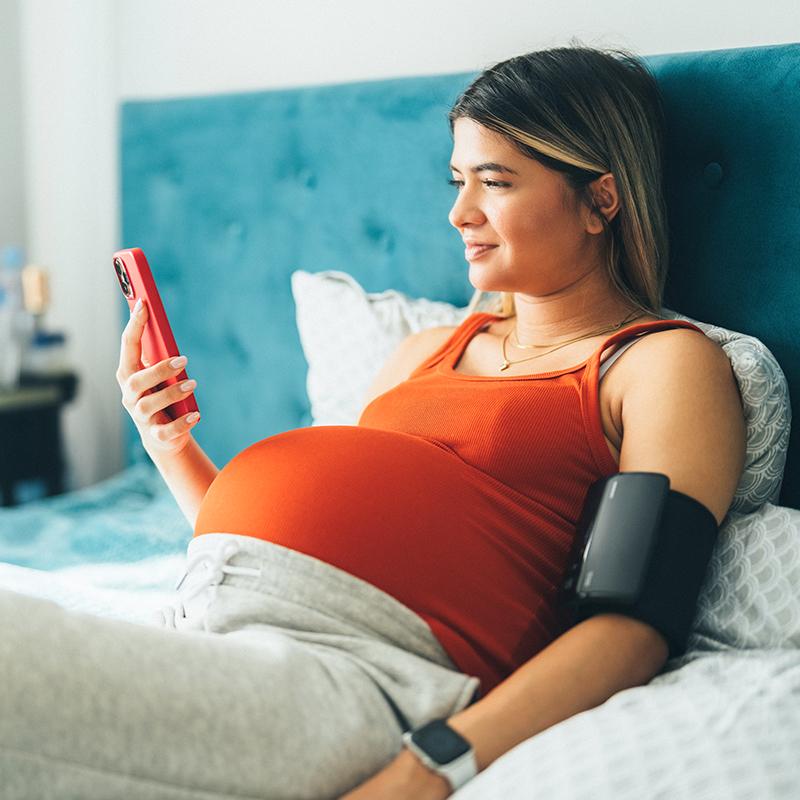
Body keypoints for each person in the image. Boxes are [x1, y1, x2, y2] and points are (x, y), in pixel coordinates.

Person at [0, 44, 746, 800]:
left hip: (367, 677)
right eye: (459, 181)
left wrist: (432, 765)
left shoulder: (658, 365)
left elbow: (631, 625)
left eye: (496, 182)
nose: (460, 214)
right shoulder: (426, 352)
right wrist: (170, 444)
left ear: (602, 200)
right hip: (216, 623)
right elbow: (299, 544)